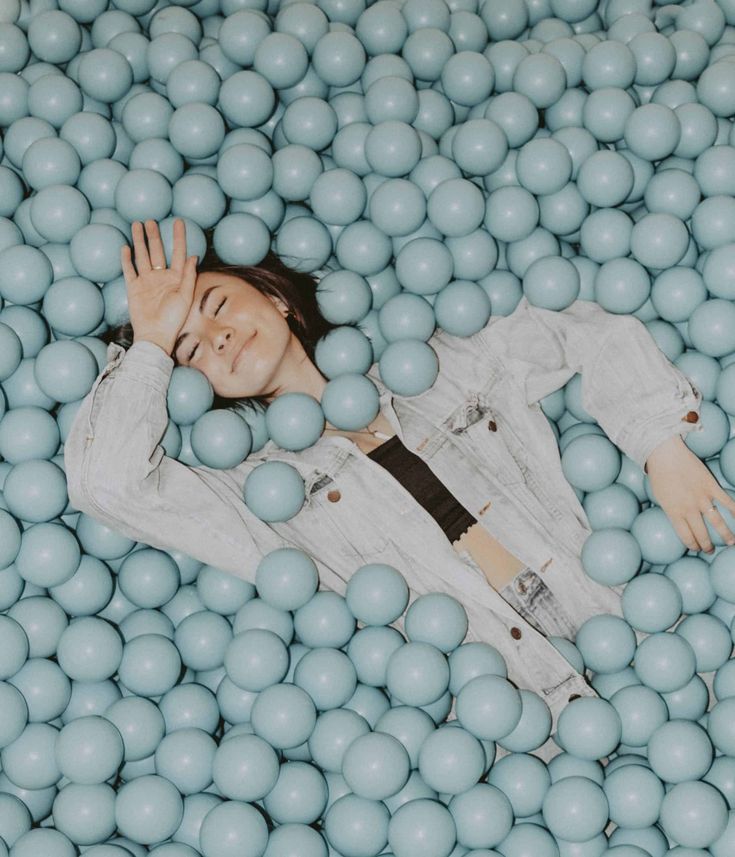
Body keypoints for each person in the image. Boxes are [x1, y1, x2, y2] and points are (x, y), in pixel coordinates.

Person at [64, 219, 731, 721]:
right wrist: (148, 342)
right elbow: (107, 484)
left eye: (216, 304)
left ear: (276, 299)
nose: (216, 336)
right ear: (192, 386)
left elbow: (584, 327)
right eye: (188, 347)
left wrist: (658, 446)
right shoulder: (260, 495)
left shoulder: (433, 364)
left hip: (642, 622)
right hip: (515, 718)